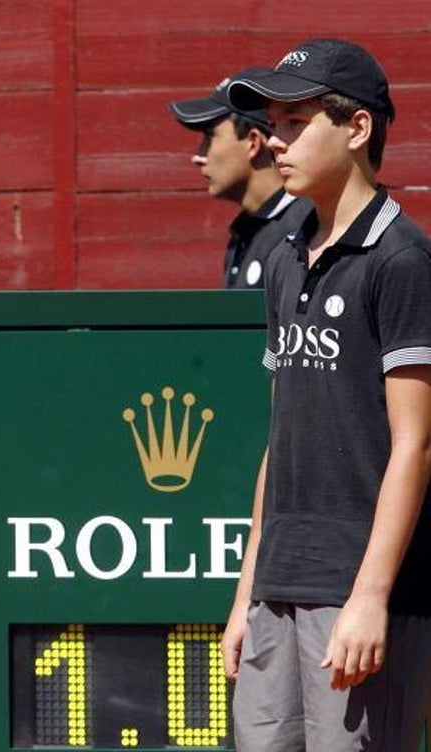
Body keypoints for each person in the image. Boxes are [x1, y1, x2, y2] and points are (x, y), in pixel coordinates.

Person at [218, 39, 431, 750]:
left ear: (357, 128)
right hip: (277, 589)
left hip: (360, 601)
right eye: (272, 123)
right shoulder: (283, 258)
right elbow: (283, 438)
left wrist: (371, 598)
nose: (273, 140)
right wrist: (248, 593)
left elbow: (416, 444)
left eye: (294, 120)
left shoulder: (402, 262)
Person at [169, 67, 312, 288]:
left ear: (253, 143)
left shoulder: (306, 228)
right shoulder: (247, 231)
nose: (197, 157)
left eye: (209, 137)